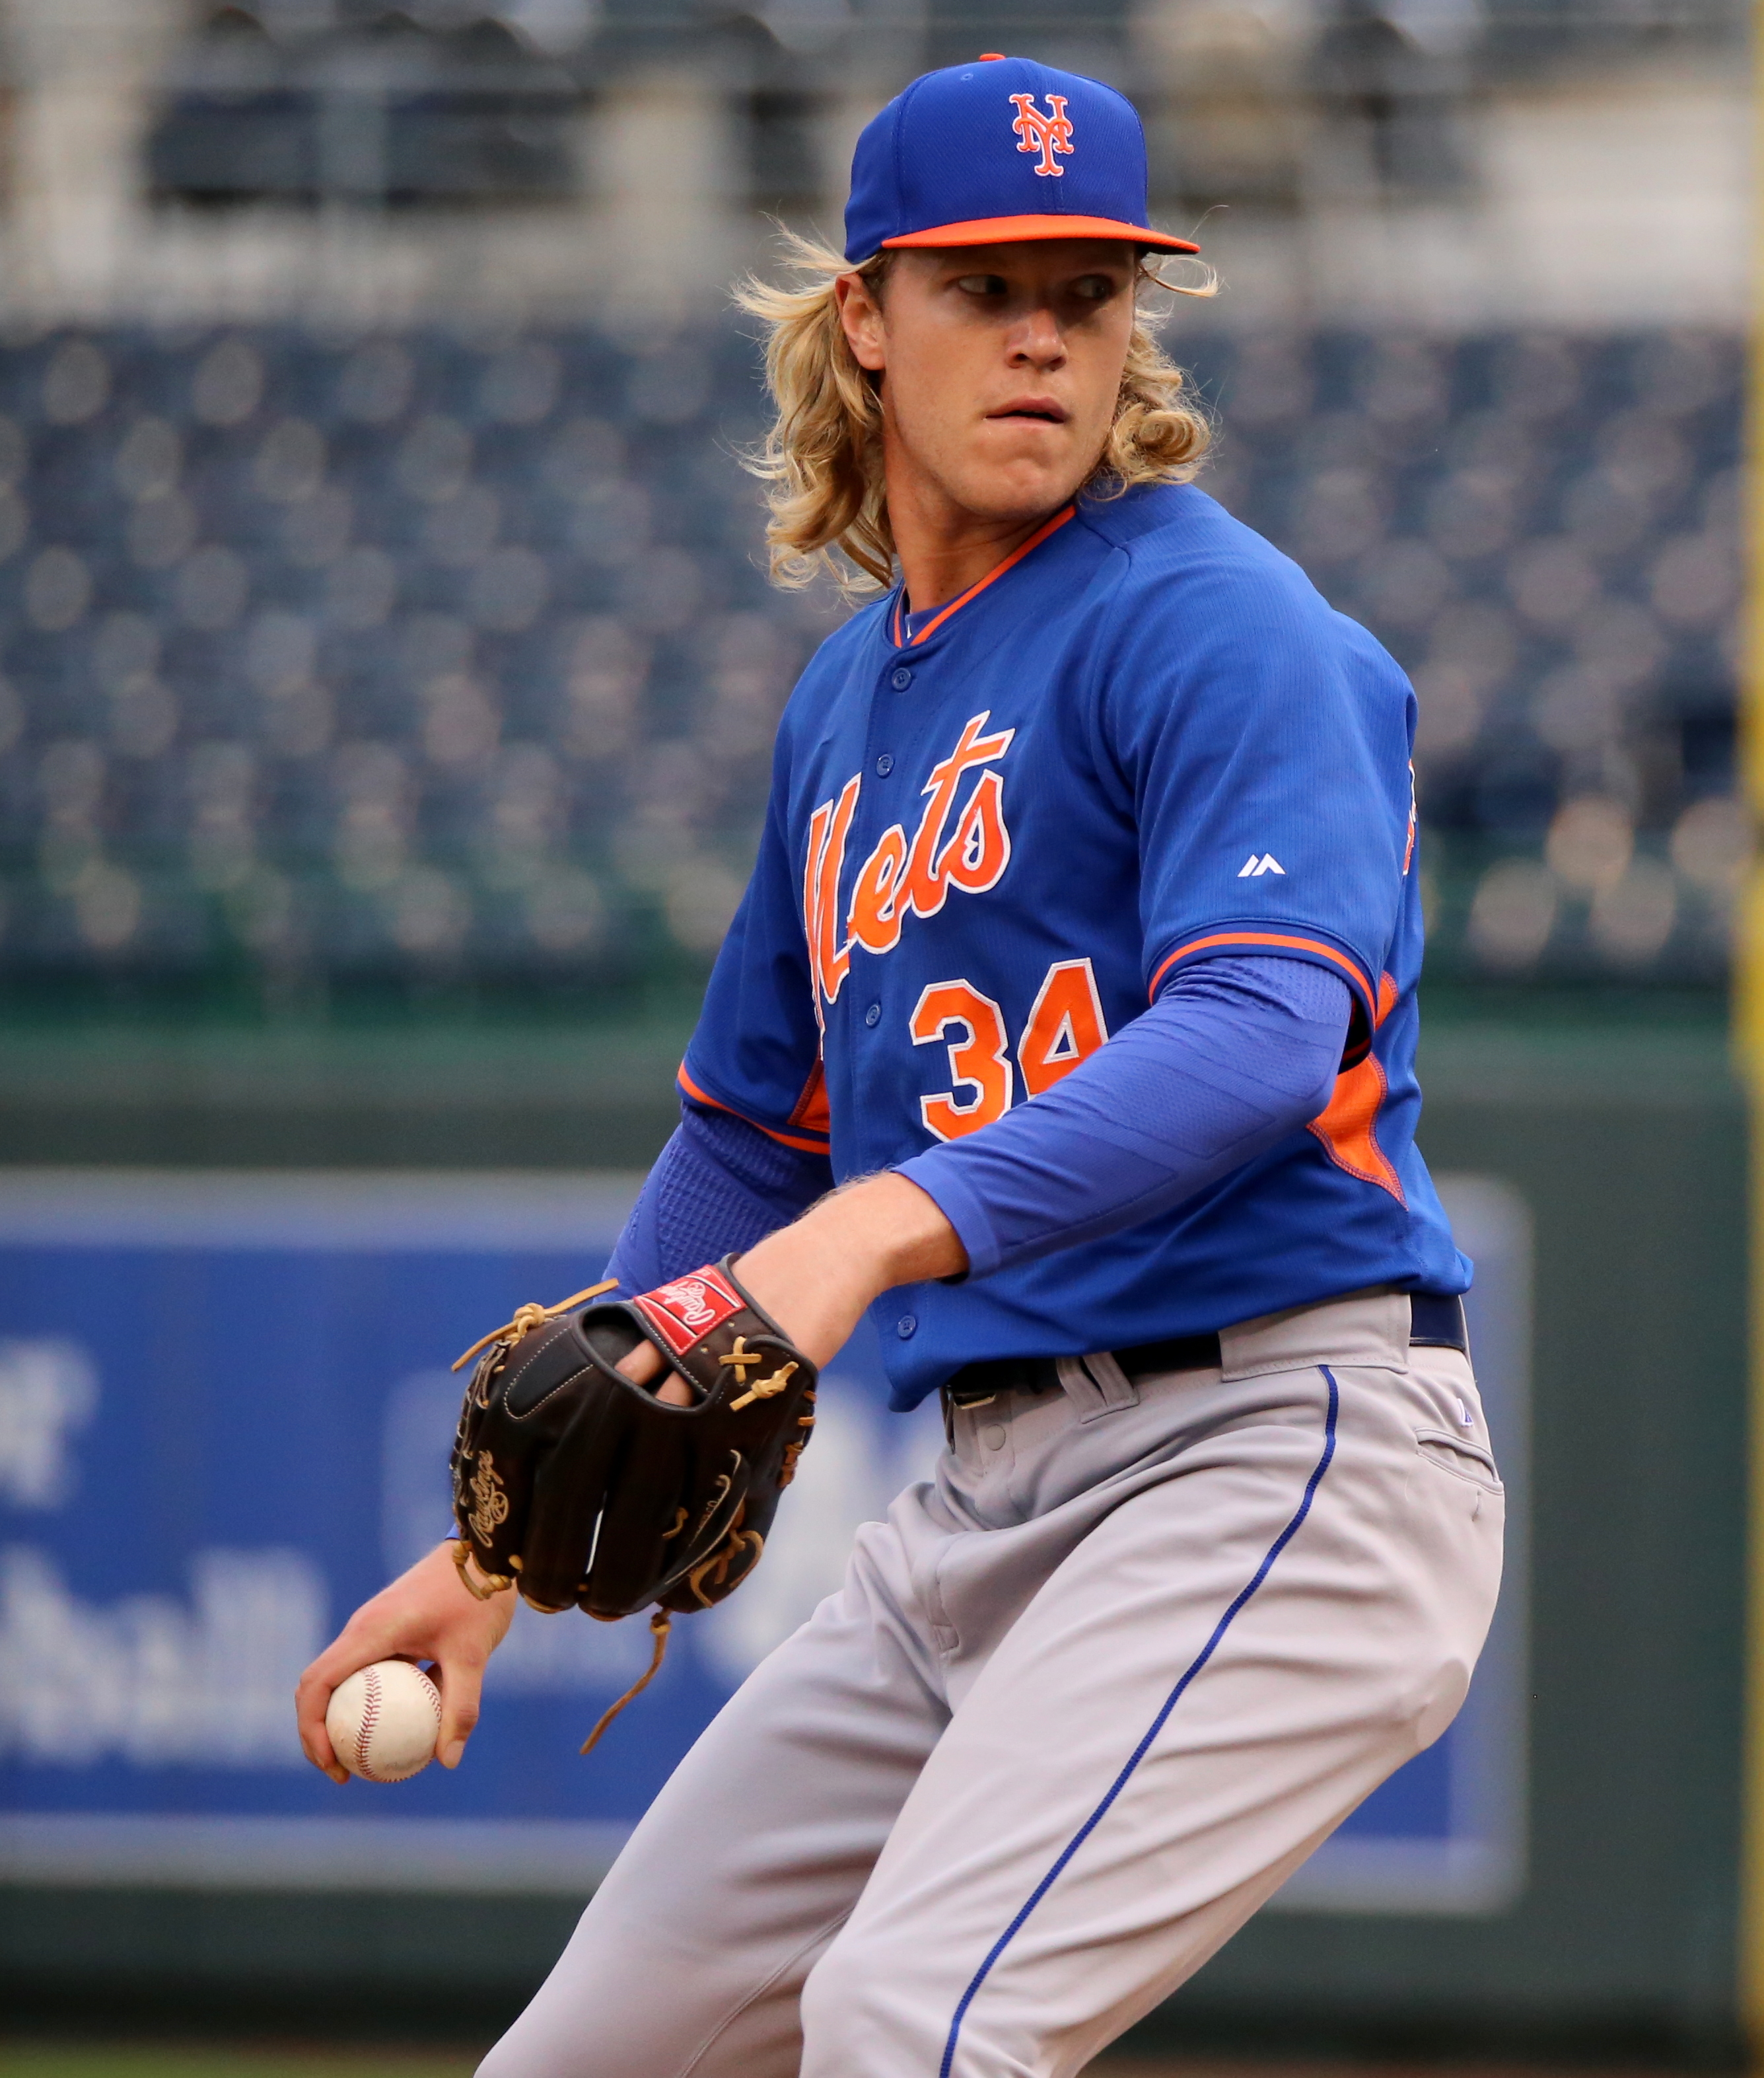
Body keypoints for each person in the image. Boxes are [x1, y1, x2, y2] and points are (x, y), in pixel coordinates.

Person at [297, 54, 1504, 2078]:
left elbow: (1260, 1038)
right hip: (976, 1510)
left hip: (1279, 1450)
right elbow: (745, 1134)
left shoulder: (1221, 628)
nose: (1045, 332)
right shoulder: (849, 703)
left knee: (917, 2020)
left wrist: (878, 1229)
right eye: (982, 283)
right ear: (865, 318)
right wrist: (501, 1557)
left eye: (1090, 288)